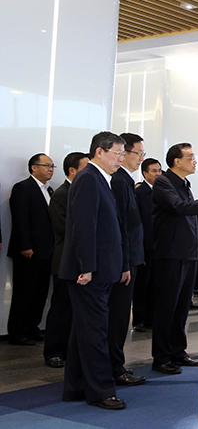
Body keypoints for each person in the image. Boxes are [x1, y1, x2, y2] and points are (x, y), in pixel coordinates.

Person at [59, 131, 127, 410]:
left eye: (123, 154)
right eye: (117, 153)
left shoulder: (101, 179)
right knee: (96, 332)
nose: (121, 159)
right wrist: (86, 267)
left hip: (102, 269)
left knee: (84, 331)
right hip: (90, 272)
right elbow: (83, 226)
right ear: (100, 151)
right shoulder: (88, 177)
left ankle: (76, 386)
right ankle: (101, 391)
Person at [151, 143, 198, 375]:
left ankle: (178, 351)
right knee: (167, 306)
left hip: (188, 252)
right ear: (177, 161)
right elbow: (178, 207)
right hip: (171, 253)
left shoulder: (184, 184)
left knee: (182, 306)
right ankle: (161, 357)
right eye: (191, 157)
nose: (195, 161)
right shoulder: (163, 182)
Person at [108, 133, 147, 386]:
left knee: (121, 315)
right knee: (118, 316)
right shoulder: (120, 181)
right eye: (138, 153)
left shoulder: (125, 180)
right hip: (124, 260)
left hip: (130, 257)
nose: (141, 158)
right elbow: (121, 225)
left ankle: (116, 365)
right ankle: (115, 367)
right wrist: (125, 263)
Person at [43, 152, 89, 368]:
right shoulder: (62, 194)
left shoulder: (82, 191)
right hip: (65, 259)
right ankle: (53, 351)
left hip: (81, 259)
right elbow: (66, 228)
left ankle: (69, 350)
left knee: (75, 310)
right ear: (72, 170)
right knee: (61, 308)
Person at [7, 153, 57, 346]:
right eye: (47, 166)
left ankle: (32, 327)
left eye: (52, 166)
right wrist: (25, 245)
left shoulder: (49, 190)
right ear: (34, 168)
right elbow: (20, 219)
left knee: (40, 293)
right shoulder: (23, 188)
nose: (50, 169)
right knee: (24, 292)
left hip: (46, 250)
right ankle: (18, 332)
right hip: (28, 251)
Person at [133, 158, 162, 332]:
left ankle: (152, 318)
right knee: (142, 284)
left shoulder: (163, 192)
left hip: (160, 245)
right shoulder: (139, 192)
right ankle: (139, 319)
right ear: (145, 173)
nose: (158, 174)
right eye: (154, 171)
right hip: (145, 245)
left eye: (159, 170)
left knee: (156, 284)